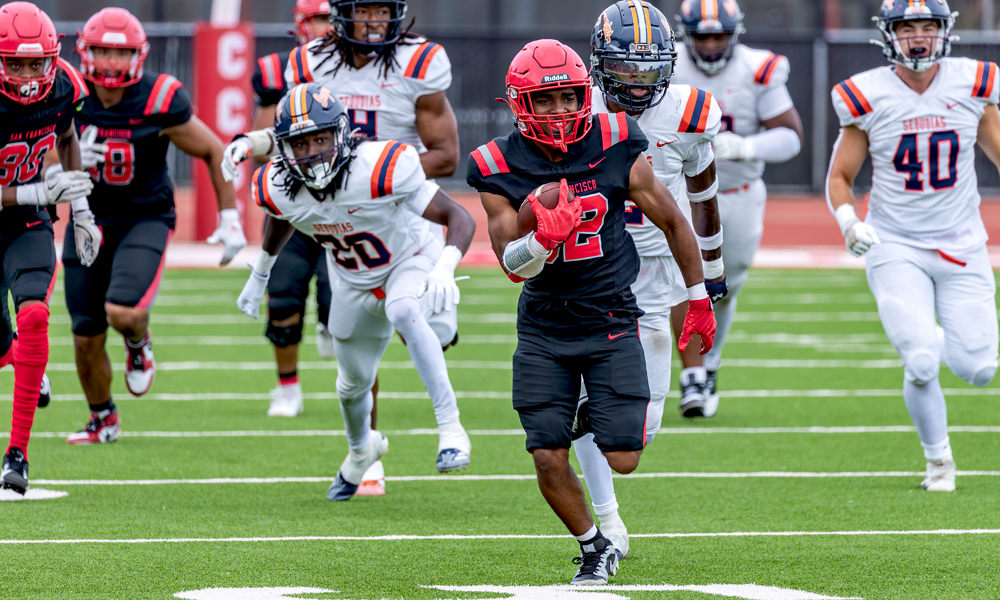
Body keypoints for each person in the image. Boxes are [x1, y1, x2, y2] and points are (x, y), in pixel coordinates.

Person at [467, 39, 716, 585]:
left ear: (586, 94)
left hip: (611, 317)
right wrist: (539, 236)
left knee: (625, 455)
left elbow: (675, 221)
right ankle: (593, 546)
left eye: (568, 97)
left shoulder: (617, 139)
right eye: (545, 99)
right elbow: (511, 262)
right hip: (544, 327)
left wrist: (698, 296)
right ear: (519, 103)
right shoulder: (497, 163)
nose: (559, 111)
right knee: (546, 456)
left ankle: (580, 415)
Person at [222, 0, 462, 494]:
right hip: (333, 216)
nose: (373, 21)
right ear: (342, 14)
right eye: (363, 10)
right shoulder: (310, 59)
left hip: (396, 205)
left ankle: (450, 425)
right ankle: (363, 452)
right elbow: (300, 130)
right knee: (349, 364)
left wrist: (366, 171)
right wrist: (257, 142)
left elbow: (445, 154)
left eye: (382, 10)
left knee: (414, 317)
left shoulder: (419, 65)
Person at [826, 0, 999, 492]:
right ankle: (939, 461)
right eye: (908, 27)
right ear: (889, 35)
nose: (919, 36)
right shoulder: (867, 94)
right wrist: (848, 222)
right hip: (895, 243)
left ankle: (933, 334)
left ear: (944, 32)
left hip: (963, 241)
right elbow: (840, 175)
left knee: (980, 369)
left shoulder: (973, 82)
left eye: (928, 26)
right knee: (921, 361)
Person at [579, 0, 725, 559]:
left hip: (656, 273)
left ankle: (589, 415)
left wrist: (710, 276)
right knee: (597, 405)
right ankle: (609, 524)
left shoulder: (689, 112)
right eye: (626, 68)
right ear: (599, 64)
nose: (638, 82)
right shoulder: (574, 104)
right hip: (588, 272)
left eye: (649, 68)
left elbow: (703, 199)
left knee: (642, 427)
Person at [63, 7, 245, 445]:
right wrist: (63, 162)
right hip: (87, 218)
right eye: (103, 51)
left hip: (145, 216)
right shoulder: (67, 93)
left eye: (120, 52)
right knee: (86, 333)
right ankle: (102, 417)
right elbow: (40, 151)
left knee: (123, 311)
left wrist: (230, 217)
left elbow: (215, 150)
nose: (110, 62)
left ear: (138, 56)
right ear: (85, 52)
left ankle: (137, 343)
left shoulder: (159, 98)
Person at [672, 0, 803, 416]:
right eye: (702, 36)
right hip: (679, 193)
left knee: (724, 289)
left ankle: (710, 362)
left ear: (735, 34)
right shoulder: (667, 63)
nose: (711, 45)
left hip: (738, 191)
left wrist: (745, 146)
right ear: (685, 35)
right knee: (681, 282)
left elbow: (790, 137)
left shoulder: (757, 68)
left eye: (719, 36)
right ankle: (692, 375)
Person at [0, 1, 96, 493]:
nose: (26, 73)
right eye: (14, 62)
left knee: (34, 315)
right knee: (4, 347)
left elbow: (67, 133)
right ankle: (24, 361)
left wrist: (82, 211)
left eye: (35, 63)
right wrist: (40, 190)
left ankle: (17, 454)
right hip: (23, 201)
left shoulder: (65, 86)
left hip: (26, 225)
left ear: (52, 59)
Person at [247, 0, 337, 420]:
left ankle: (331, 323)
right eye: (317, 19)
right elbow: (262, 149)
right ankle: (287, 387)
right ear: (301, 24)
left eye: (330, 19)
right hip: (297, 206)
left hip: (345, 201)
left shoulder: (360, 69)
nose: (324, 29)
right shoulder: (276, 72)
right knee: (283, 298)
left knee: (341, 299)